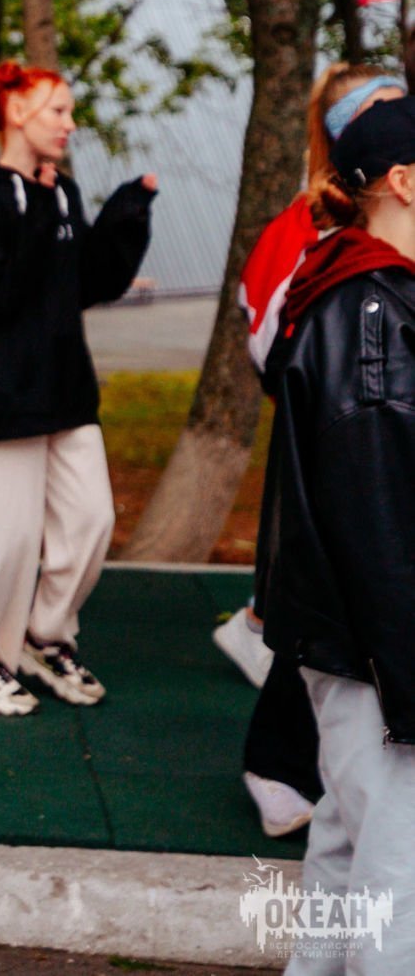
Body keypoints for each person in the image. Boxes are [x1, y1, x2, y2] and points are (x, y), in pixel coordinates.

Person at [0, 60, 157, 716]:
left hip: (67, 390)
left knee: (92, 520)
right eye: (58, 110)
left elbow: (85, 282)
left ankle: (44, 634)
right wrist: (37, 210)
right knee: (5, 539)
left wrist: (127, 216)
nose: (70, 123)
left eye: (69, 111)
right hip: (7, 396)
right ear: (16, 112)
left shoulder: (62, 192)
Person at [221, 64, 406, 839]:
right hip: (338, 478)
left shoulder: (374, 273)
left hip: (353, 582)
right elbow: (272, 339)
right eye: (387, 108)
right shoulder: (343, 276)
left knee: (352, 827)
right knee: (393, 860)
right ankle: (276, 762)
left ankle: (294, 764)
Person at [256, 95, 415, 975]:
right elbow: (378, 516)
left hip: (350, 646)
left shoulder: (353, 289)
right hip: (377, 654)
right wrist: (406, 676)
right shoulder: (373, 313)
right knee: (399, 878)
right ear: (404, 181)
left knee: (350, 851)